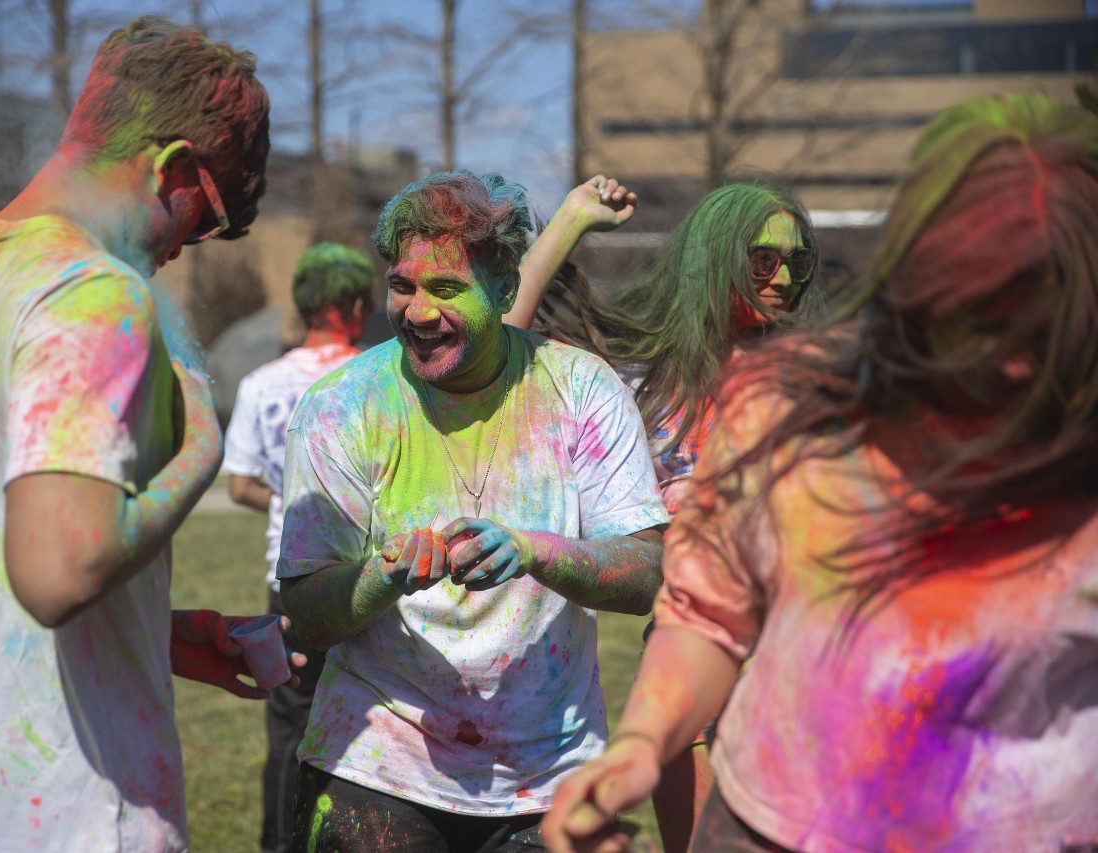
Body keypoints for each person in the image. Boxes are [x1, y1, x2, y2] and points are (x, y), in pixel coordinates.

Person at [543, 93, 1098, 853]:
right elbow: (706, 613)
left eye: (1039, 299)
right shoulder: (784, 401)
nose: (1004, 340)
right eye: (973, 296)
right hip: (764, 805)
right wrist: (642, 741)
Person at [0, 17, 294, 851]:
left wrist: (156, 634)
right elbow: (57, 570)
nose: (185, 250)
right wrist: (201, 449)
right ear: (172, 168)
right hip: (70, 813)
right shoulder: (89, 292)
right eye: (205, 220)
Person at [278, 170, 669, 851]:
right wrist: (384, 577)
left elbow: (647, 573)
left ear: (506, 289)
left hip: (549, 771)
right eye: (403, 285)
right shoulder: (342, 405)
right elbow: (307, 615)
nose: (418, 311)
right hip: (377, 763)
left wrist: (535, 550)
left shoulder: (581, 389)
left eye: (446, 287)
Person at [512, 174, 824, 850]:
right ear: (716, 259)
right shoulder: (640, 377)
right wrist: (571, 220)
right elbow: (506, 336)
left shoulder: (812, 379)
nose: (781, 278)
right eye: (761, 260)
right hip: (693, 661)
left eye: (795, 263)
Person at [222, 242, 374, 853]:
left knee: (289, 729)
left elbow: (239, 485)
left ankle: (280, 843)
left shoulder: (260, 384)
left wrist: (288, 502)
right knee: (372, 724)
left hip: (289, 580)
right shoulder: (377, 375)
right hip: (368, 578)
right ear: (356, 307)